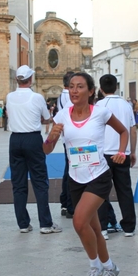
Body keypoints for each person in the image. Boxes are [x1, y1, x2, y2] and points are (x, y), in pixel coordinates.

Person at [44, 72, 128, 276]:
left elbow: (123, 131)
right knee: (94, 229)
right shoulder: (61, 115)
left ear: (91, 91)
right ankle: (110, 267)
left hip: (99, 175)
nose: (74, 91)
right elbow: (46, 148)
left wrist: (121, 151)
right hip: (75, 178)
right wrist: (51, 136)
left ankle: (95, 267)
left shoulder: (101, 113)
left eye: (80, 87)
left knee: (79, 222)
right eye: (71, 86)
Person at [6, 64, 61, 234]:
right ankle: (45, 223)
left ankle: (23, 223)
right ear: (30, 79)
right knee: (39, 181)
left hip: (15, 139)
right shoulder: (36, 97)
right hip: (32, 138)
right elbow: (46, 118)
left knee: (18, 183)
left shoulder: (9, 96)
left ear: (17, 79)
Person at [96, 74, 137, 239]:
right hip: (122, 151)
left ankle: (103, 228)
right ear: (116, 87)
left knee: (101, 192)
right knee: (125, 190)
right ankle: (129, 227)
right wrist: (132, 151)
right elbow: (132, 129)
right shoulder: (126, 105)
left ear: (100, 88)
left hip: (104, 153)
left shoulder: (99, 104)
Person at [57, 71, 75, 218]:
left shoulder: (61, 96)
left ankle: (65, 201)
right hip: (72, 137)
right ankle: (70, 204)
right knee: (71, 171)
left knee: (67, 169)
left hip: (66, 137)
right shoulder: (68, 97)